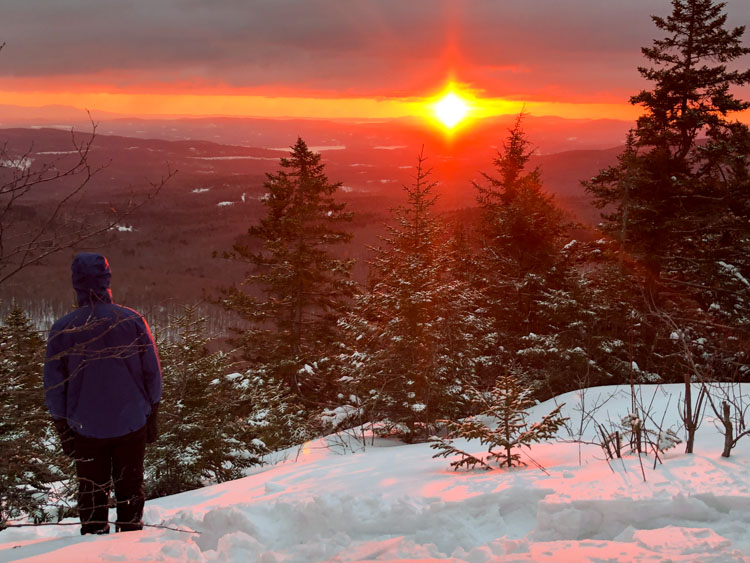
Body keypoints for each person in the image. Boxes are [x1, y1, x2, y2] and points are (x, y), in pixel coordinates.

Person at [44, 253, 162, 535]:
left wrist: (62, 427)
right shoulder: (132, 320)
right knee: (130, 485)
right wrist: (152, 412)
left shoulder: (63, 328)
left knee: (92, 491)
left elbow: (54, 385)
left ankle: (94, 543)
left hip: (86, 427)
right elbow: (152, 372)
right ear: (107, 280)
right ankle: (130, 537)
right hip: (131, 421)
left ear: (75, 283)